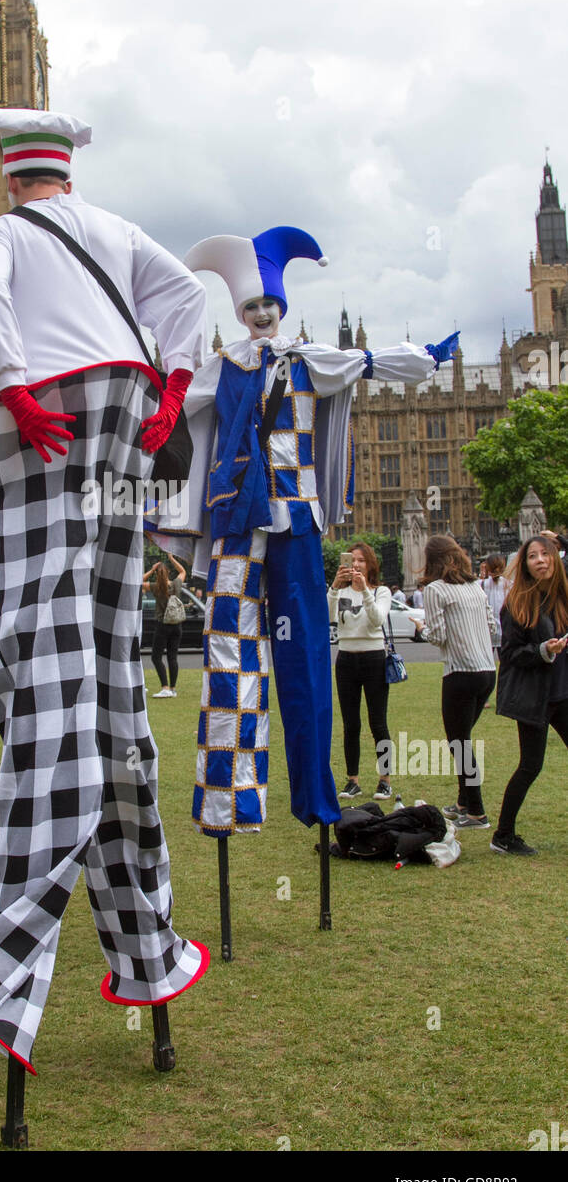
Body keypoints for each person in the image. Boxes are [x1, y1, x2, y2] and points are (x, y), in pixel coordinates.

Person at [0, 107, 209, 1073]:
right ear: (68, 175)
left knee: (45, 688)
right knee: (113, 685)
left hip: (43, 422)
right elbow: (184, 298)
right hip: (123, 424)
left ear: (11, 179)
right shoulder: (118, 230)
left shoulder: (3, 231)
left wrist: (9, 382)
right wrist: (172, 387)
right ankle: (147, 949)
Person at [150, 222, 459, 836]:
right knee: (229, 657)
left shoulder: (311, 361)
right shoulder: (224, 366)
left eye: (270, 305)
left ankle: (317, 798)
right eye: (252, 306)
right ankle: (227, 801)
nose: (262, 314)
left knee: (308, 659)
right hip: (238, 520)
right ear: (240, 314)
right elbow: (172, 398)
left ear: (282, 309)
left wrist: (429, 356)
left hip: (296, 519)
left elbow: (368, 364)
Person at [490, 535, 568, 856]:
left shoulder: (563, 596)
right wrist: (542, 650)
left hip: (563, 694)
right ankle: (503, 836)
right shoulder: (518, 603)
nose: (540, 560)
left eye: (545, 554)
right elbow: (509, 654)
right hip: (535, 696)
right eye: (533, 556)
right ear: (524, 565)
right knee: (530, 766)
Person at [421, 535, 499, 829]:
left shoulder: (434, 590)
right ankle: (464, 801)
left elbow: (438, 635)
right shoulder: (475, 587)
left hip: (460, 673)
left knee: (460, 744)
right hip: (487, 672)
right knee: (461, 740)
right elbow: (492, 626)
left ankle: (477, 811)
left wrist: (423, 628)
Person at [328, 542, 393, 801]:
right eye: (352, 560)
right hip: (346, 659)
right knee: (350, 723)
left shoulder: (382, 591)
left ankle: (385, 780)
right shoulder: (340, 592)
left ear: (370, 564)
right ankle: (352, 779)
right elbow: (327, 616)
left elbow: (377, 619)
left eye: (361, 560)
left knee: (378, 723)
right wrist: (334, 586)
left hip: (374, 658)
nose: (356, 565)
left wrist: (365, 590)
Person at [144, 553, 187, 697]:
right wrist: (171, 558)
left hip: (163, 625)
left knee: (156, 657)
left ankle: (165, 687)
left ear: (157, 574)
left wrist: (151, 569)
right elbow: (183, 571)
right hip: (177, 625)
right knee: (172, 657)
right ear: (168, 572)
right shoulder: (176, 584)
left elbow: (138, 582)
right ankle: (173, 689)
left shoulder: (156, 587)